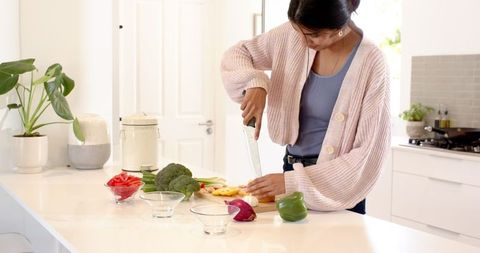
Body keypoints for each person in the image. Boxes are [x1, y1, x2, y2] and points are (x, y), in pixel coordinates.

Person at [221, 0, 390, 215]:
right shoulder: (293, 36)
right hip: (290, 170)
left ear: (338, 29)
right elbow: (238, 53)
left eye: (312, 35)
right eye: (297, 31)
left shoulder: (372, 63)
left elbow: (367, 154)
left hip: (337, 186)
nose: (302, 41)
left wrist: (291, 182)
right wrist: (255, 83)